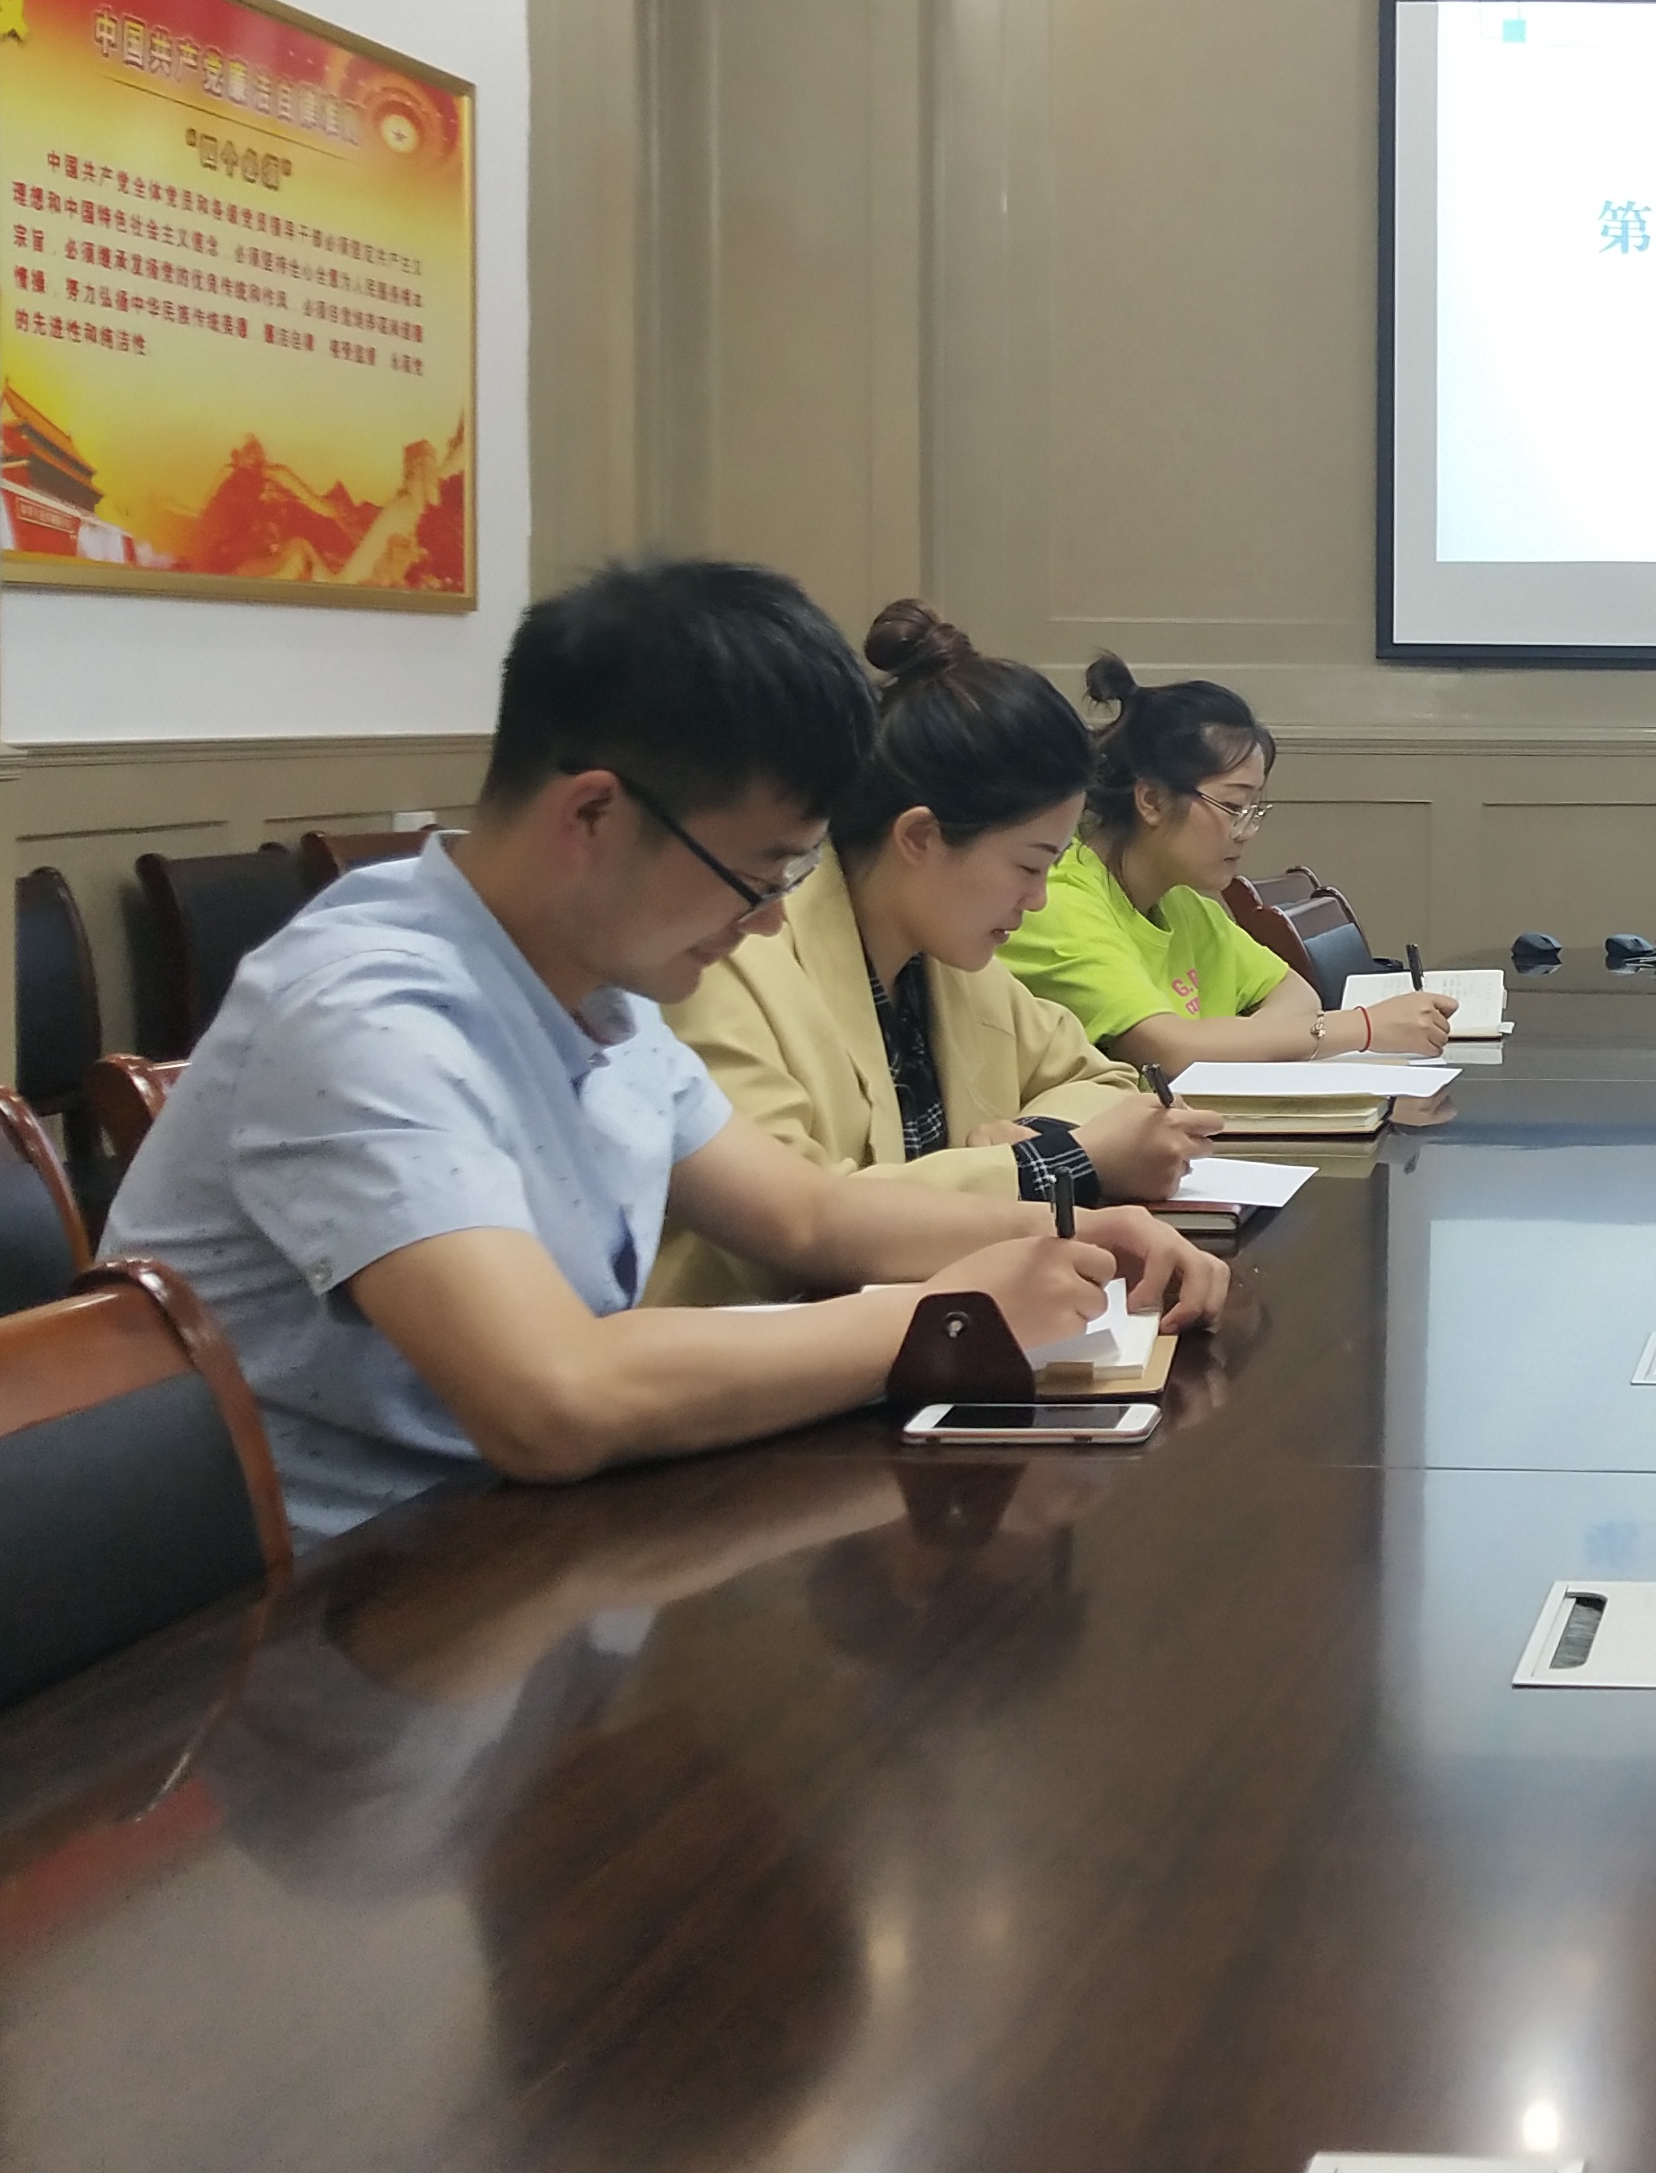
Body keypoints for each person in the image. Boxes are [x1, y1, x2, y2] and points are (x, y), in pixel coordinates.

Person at [103, 559, 1222, 1548]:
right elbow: (554, 1399)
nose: (771, 921)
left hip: (524, 1550)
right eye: (757, 875)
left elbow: (806, 1216)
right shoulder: (365, 1015)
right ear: (593, 816)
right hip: (327, 1613)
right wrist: (949, 1319)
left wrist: (1064, 1231)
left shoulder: (596, 988)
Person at [650, 602, 1229, 1306]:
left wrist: (1035, 1137)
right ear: (920, 837)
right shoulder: (732, 959)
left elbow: (1102, 1081)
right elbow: (798, 1223)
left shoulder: (949, 961)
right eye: (1028, 866)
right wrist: (1051, 1162)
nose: (1038, 900)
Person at [1000, 660, 1456, 1072]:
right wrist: (1362, 1027)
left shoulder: (1180, 902)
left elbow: (1294, 991)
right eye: (1233, 806)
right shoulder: (1058, 904)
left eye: (1254, 810)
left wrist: (1250, 1041)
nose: (1246, 831)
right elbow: (1169, 1048)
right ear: (1152, 799)